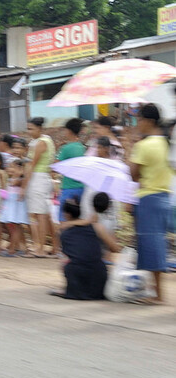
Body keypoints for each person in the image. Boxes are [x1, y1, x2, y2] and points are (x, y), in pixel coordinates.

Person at [128, 103, 172, 303]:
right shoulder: (167, 143)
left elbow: (134, 175)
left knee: (151, 244)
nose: (138, 124)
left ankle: (157, 294)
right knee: (157, 242)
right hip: (164, 197)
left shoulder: (144, 146)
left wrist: (132, 148)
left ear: (149, 121)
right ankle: (153, 291)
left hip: (148, 197)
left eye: (139, 120)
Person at [52, 199, 120, 300]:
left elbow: (65, 253)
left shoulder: (63, 232)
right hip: (98, 277)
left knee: (65, 261)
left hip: (76, 278)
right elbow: (115, 248)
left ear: (67, 214)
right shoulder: (97, 227)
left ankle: (67, 287)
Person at [23, 117, 56, 257]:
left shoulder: (42, 142)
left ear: (39, 128)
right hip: (40, 178)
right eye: (28, 129)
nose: (29, 132)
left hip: (38, 178)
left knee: (40, 214)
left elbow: (32, 164)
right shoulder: (40, 141)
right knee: (38, 214)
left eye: (32, 129)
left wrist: (24, 185)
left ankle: (40, 247)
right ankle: (39, 246)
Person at [55, 118, 85, 221]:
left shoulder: (66, 148)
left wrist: (58, 148)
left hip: (68, 187)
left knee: (64, 219)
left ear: (69, 131)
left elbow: (56, 166)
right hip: (81, 187)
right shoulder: (81, 147)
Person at [0, 159, 29, 256]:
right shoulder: (11, 178)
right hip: (11, 204)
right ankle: (20, 247)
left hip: (16, 205)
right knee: (16, 227)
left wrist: (18, 173)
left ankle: (12, 249)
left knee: (15, 227)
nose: (10, 169)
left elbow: (15, 183)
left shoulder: (20, 180)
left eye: (13, 167)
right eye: (9, 167)